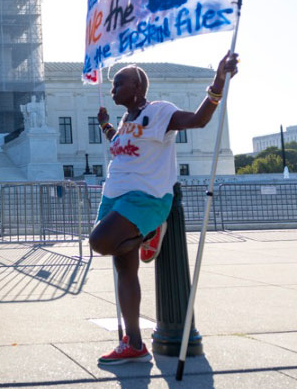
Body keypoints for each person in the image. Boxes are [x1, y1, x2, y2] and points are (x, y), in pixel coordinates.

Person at [89, 51, 238, 365]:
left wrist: (218, 80)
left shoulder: (159, 112)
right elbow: (120, 145)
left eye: (120, 83)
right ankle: (134, 343)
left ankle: (148, 232)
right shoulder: (126, 120)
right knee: (123, 269)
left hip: (144, 197)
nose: (113, 88)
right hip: (115, 196)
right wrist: (105, 126)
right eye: (113, 85)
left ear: (138, 88)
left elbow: (198, 120)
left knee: (99, 241)